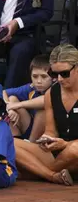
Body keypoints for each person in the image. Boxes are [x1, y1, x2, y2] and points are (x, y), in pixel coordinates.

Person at [14, 44, 78, 186]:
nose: (59, 79)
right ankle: (51, 175)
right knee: (10, 142)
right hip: (58, 153)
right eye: (54, 74)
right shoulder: (52, 93)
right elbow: (51, 130)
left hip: (73, 151)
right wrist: (47, 139)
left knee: (75, 149)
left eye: (65, 73)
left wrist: (66, 144)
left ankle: (36, 173)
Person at [5, 54, 52, 140]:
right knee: (12, 99)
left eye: (44, 76)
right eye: (35, 76)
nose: (38, 81)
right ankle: (15, 139)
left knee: (42, 110)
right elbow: (3, 92)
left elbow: (46, 99)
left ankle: (31, 144)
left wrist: (19, 105)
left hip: (48, 134)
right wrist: (10, 108)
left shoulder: (56, 87)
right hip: (29, 127)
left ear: (53, 77)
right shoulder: (31, 87)